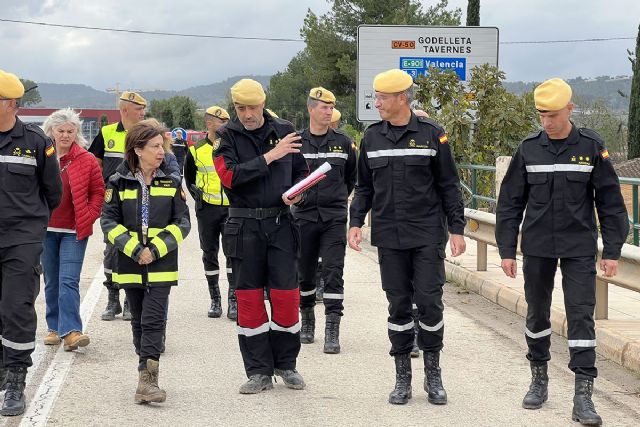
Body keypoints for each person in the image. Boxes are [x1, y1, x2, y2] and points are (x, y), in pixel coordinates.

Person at [495, 78, 629, 426]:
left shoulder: (590, 146)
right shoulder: (528, 149)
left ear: (570, 109)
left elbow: (611, 203)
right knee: (537, 315)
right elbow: (510, 203)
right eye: (541, 115)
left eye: (553, 115)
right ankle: (538, 379)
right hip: (537, 246)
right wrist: (507, 250)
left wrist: (612, 250)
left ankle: (583, 395)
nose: (547, 122)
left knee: (582, 317)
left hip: (578, 247)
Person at [348, 69, 466, 405]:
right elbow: (364, 187)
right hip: (389, 236)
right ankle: (402, 379)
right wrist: (355, 221)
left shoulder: (432, 134)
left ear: (402, 98)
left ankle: (433, 376)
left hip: (428, 234)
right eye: (376, 96)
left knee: (429, 303)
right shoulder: (371, 138)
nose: (377, 103)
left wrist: (456, 228)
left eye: (382, 97)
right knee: (398, 306)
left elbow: (448, 185)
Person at [214, 78, 308, 394]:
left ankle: (286, 364)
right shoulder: (225, 137)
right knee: (250, 301)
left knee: (285, 297)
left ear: (263, 104)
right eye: (241, 108)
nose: (247, 114)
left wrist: (299, 194)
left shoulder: (285, 130)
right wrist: (271, 156)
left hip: (281, 225)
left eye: (252, 107)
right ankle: (258, 372)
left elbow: (301, 173)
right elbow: (229, 177)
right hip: (244, 229)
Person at [101, 119, 190, 404]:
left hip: (161, 262)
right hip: (129, 263)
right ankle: (145, 370)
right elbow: (108, 221)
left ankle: (148, 381)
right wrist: (135, 249)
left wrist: (155, 248)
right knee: (138, 322)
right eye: (154, 147)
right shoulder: (117, 182)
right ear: (138, 149)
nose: (161, 152)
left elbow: (183, 222)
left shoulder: (172, 181)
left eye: (162, 146)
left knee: (153, 321)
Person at [0, 70, 62, 416]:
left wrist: (31, 226)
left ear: (11, 103)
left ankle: (15, 378)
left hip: (22, 238)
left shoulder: (36, 141)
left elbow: (53, 191)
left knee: (16, 305)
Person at [293, 87, 356, 353]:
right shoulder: (295, 142)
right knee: (304, 274)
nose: (329, 111)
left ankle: (333, 328)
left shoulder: (343, 141)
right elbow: (289, 178)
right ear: (310, 109)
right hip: (303, 218)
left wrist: (338, 199)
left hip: (333, 218)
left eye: (331, 107)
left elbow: (351, 178)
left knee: (333, 272)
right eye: (323, 106)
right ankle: (307, 319)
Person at [41, 108, 104, 352]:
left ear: (76, 132)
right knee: (51, 280)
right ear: (51, 131)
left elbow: (98, 191)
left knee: (68, 280)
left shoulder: (86, 159)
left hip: (73, 231)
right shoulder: (42, 156)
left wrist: (88, 215)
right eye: (61, 131)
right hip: (45, 228)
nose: (66, 135)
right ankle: (55, 327)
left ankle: (72, 331)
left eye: (70, 131)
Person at [89, 91, 147, 321]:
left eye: (143, 108)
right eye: (138, 108)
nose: (143, 112)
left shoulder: (146, 134)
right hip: (112, 202)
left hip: (140, 200)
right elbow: (94, 165)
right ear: (124, 109)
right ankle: (112, 299)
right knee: (112, 250)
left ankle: (130, 300)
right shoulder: (106, 133)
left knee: (137, 247)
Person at [184, 105, 237, 319]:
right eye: (221, 121)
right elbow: (189, 178)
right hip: (207, 210)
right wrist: (198, 196)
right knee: (209, 253)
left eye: (227, 121)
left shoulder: (232, 147)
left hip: (231, 209)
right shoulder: (195, 150)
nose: (225, 125)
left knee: (233, 255)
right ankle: (215, 299)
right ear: (209, 123)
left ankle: (234, 301)